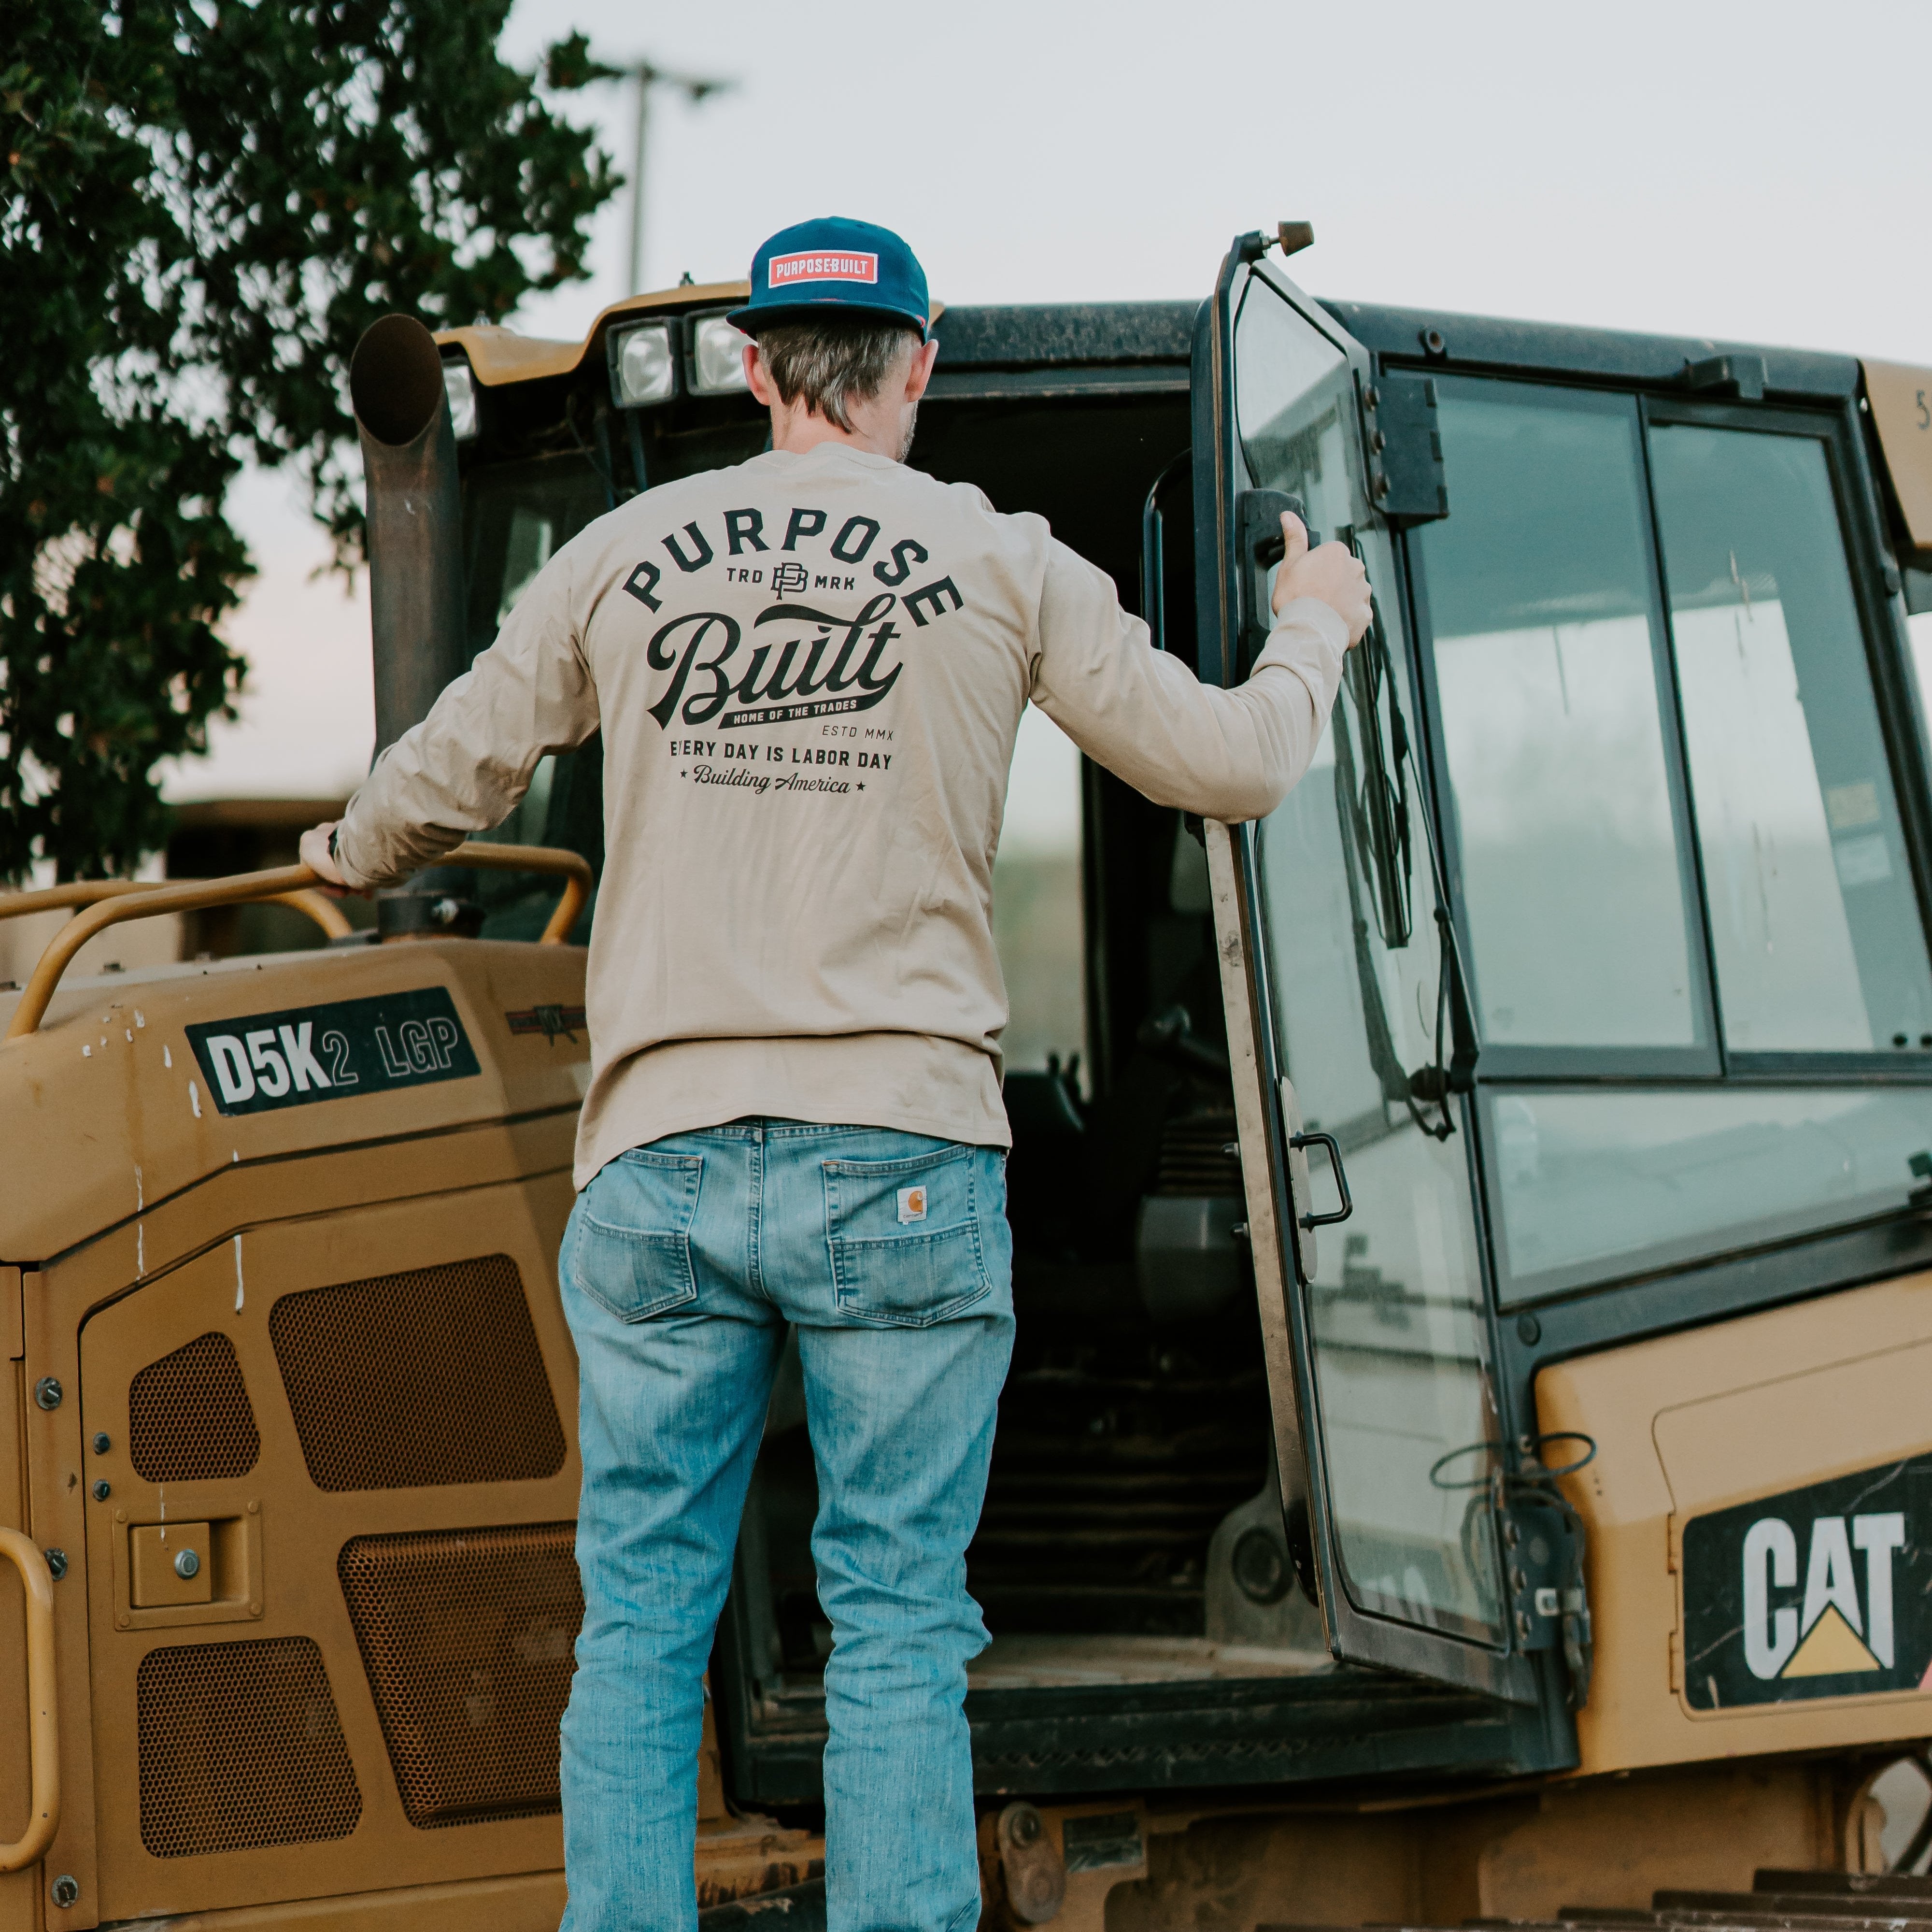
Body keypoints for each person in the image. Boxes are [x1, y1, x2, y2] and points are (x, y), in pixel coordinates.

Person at [300, 215, 1370, 1932]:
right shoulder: (1002, 558)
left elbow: (446, 776)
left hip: (659, 1156)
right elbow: (1231, 765)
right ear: (916, 367)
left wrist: (342, 851)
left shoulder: (624, 553)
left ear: (754, 367)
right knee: (894, 1621)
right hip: (903, 1156)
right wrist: (1313, 625)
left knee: (639, 1622)